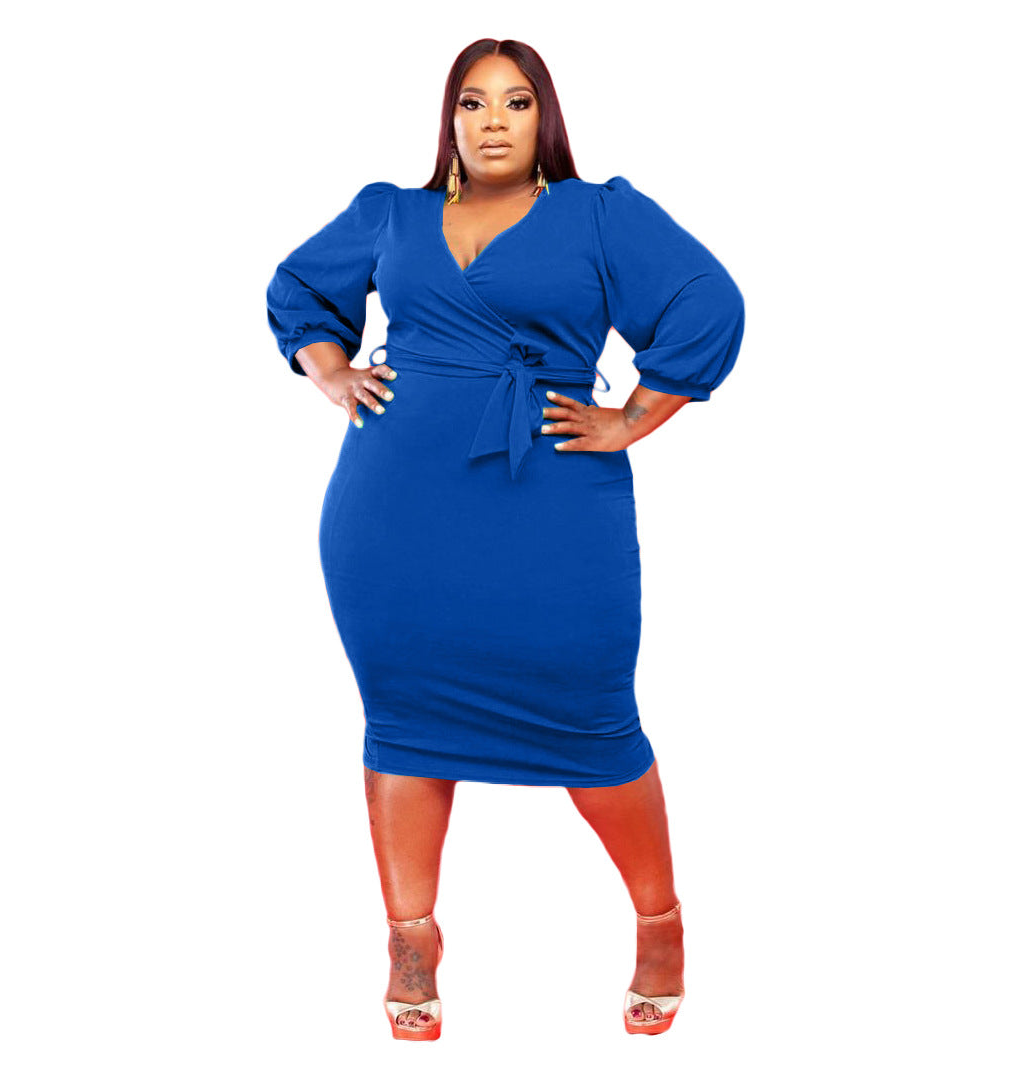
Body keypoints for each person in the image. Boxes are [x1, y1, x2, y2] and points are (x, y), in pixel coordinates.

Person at [265, 38, 745, 1040]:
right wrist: (331, 370)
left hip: (555, 507)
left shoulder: (600, 213)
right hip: (393, 512)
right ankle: (411, 939)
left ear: (544, 118)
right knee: (404, 718)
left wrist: (632, 416)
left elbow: (708, 302)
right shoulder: (390, 214)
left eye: (517, 102)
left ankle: (659, 923)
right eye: (473, 102)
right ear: (449, 118)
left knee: (593, 720)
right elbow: (298, 290)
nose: (493, 121)